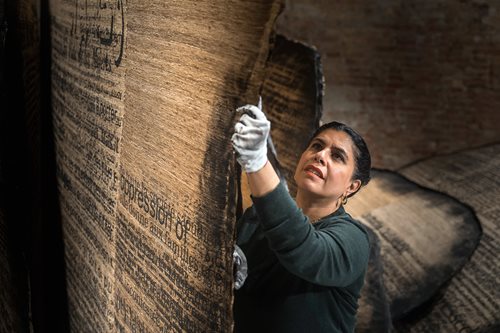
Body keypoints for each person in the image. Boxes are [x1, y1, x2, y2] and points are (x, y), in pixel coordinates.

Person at [231, 99, 371, 333]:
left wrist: (257, 161)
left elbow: (306, 252)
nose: (321, 155)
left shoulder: (353, 239)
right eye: (317, 146)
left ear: (352, 187)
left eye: (337, 156)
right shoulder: (256, 217)